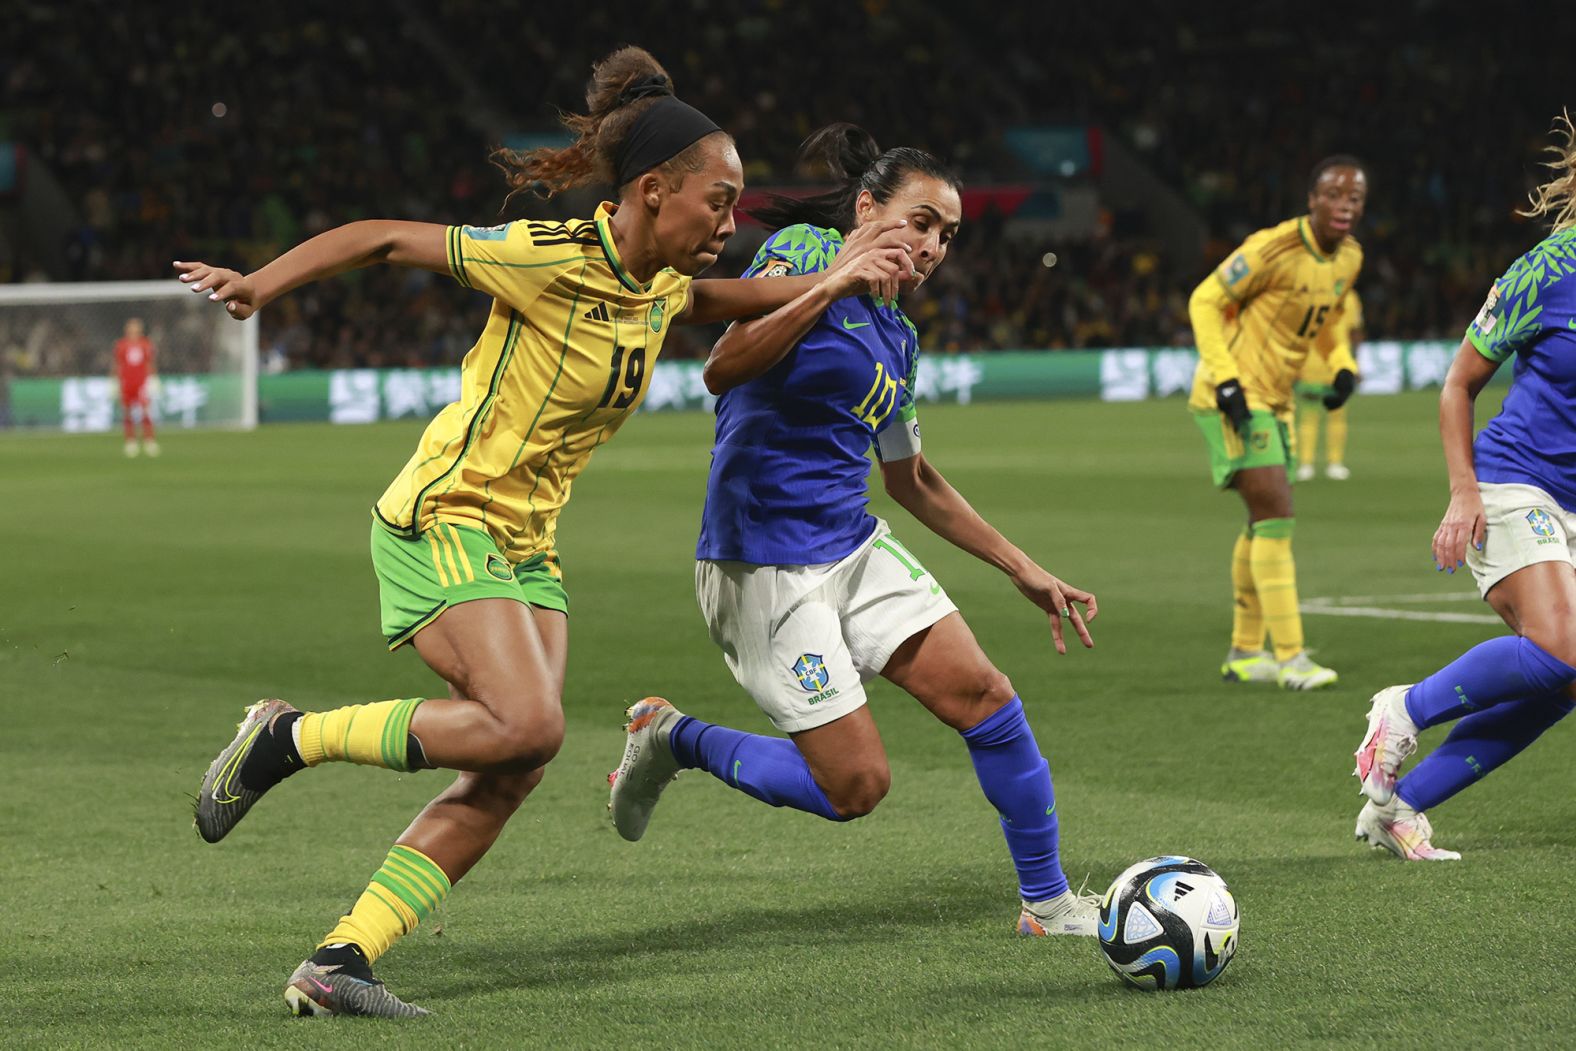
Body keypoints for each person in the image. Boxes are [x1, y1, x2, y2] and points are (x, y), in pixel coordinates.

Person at [178, 49, 915, 1018]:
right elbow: (385, 239)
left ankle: (342, 958)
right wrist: (262, 284)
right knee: (530, 722)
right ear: (653, 191)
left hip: (526, 546)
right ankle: (287, 735)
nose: (731, 227)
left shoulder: (660, 282)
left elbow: (731, 301)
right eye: (718, 203)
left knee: (515, 759)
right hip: (445, 516)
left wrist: (840, 280)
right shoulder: (547, 255)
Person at [607, 124, 1103, 938]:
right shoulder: (804, 253)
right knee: (856, 787)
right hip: (761, 561)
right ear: (866, 208)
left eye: (948, 233)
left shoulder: (898, 336)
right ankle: (672, 736)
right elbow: (722, 365)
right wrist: (832, 284)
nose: (934, 245)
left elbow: (911, 477)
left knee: (988, 697)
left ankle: (1046, 905)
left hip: (851, 543)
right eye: (919, 221)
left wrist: (1023, 566)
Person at [1353, 113, 1576, 861]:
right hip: (1515, 482)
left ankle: (1401, 808)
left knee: (1564, 681)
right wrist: (1463, 490)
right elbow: (1458, 383)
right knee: (1560, 650)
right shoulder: (1548, 270)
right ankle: (1404, 708)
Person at [1188, 155, 1366, 690]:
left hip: (1278, 399)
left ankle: (1245, 652)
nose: (1344, 206)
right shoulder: (1273, 248)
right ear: (1312, 199)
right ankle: (1292, 659)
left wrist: (1341, 366)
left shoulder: (1349, 258)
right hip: (1235, 398)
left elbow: (1330, 321)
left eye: (1354, 198)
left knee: (1263, 520)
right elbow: (1205, 299)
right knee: (1277, 515)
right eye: (1334, 195)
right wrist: (1226, 381)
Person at [1295, 289, 1363, 481]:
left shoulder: (1350, 297)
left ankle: (1335, 463)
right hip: (1312, 363)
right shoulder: (1309, 293)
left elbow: (1354, 332)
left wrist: (1355, 363)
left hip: (1338, 365)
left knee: (1337, 415)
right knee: (1309, 414)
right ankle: (1306, 463)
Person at [113, 317, 158, 457]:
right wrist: (115, 381)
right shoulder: (121, 345)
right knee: (127, 412)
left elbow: (150, 363)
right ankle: (130, 441)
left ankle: (149, 440)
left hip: (141, 382)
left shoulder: (145, 344)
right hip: (126, 382)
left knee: (145, 411)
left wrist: (153, 379)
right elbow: (117, 364)